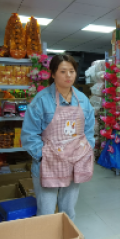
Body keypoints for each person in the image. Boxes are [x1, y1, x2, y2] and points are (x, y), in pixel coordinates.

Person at [21, 54, 95, 220]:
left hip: (74, 163)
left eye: (72, 71)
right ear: (53, 74)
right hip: (49, 163)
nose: (68, 75)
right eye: (63, 71)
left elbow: (89, 131)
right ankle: (48, 237)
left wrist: (86, 150)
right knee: (46, 213)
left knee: (68, 211)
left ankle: (66, 236)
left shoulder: (83, 100)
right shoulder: (41, 100)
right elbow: (29, 134)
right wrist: (43, 157)